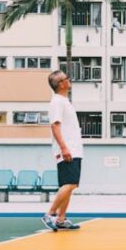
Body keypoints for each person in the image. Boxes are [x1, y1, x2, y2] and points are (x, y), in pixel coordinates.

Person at [41, 70, 83, 231]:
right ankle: (49, 214)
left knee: (70, 185)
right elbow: (55, 125)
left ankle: (61, 218)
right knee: (70, 183)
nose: (69, 80)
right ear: (61, 84)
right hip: (67, 149)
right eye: (66, 78)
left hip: (74, 149)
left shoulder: (64, 101)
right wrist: (64, 148)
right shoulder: (57, 102)